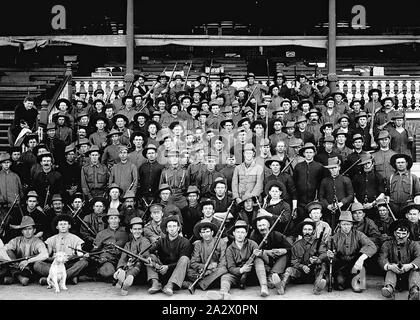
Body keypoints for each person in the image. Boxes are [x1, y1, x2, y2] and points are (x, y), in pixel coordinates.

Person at [206, 220, 269, 300]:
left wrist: (260, 254)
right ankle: (223, 294)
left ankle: (264, 287)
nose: (240, 235)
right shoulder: (229, 249)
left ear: (246, 234)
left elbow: (267, 261)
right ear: (234, 234)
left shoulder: (252, 244)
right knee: (225, 277)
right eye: (238, 232)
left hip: (253, 274)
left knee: (258, 260)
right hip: (238, 275)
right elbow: (231, 268)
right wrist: (241, 270)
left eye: (242, 232)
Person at [327, 211, 377, 292]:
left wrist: (361, 259)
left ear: (352, 225)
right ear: (339, 225)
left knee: (359, 289)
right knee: (339, 286)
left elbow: (372, 246)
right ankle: (349, 279)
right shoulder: (334, 238)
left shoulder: (359, 234)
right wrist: (330, 255)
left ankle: (355, 278)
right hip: (342, 265)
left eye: (348, 224)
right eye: (343, 224)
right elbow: (329, 253)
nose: (346, 227)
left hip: (356, 263)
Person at [34, 215, 88, 286]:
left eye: (65, 224)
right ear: (57, 227)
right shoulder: (51, 239)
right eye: (61, 224)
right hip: (55, 265)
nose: (63, 226)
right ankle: (69, 277)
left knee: (84, 262)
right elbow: (47, 254)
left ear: (69, 226)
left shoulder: (76, 238)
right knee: (37, 264)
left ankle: (54, 279)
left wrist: (84, 256)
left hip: (69, 264)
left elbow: (80, 254)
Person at [279, 218, 328, 295]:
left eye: (309, 229)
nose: (307, 232)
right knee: (289, 270)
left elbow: (324, 254)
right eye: (305, 229)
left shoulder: (319, 242)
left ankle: (317, 288)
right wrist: (302, 267)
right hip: (300, 274)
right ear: (302, 231)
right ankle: (281, 286)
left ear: (313, 231)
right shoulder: (296, 245)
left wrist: (317, 259)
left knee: (322, 266)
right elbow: (294, 262)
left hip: (314, 273)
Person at [146, 215, 192, 295]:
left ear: (178, 228)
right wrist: (151, 259)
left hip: (178, 273)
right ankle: (155, 283)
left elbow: (183, 262)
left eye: (174, 226)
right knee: (150, 257)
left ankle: (170, 286)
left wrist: (168, 267)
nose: (172, 228)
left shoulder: (185, 242)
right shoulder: (161, 241)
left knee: (185, 259)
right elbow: (150, 251)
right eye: (169, 226)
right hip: (162, 271)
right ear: (166, 229)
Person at [113, 217, 159, 295]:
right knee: (125, 268)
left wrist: (133, 261)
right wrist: (120, 267)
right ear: (131, 230)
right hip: (131, 268)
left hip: (141, 271)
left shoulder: (144, 240)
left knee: (138, 264)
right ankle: (123, 278)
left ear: (142, 230)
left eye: (139, 229)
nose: (137, 231)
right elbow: (123, 258)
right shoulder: (128, 244)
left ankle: (124, 280)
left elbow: (145, 255)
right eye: (135, 229)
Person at [249, 211, 292, 294]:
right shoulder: (254, 236)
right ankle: (273, 278)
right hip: (266, 262)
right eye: (259, 226)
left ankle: (273, 276)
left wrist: (283, 250)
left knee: (285, 256)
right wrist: (266, 252)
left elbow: (291, 249)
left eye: (263, 225)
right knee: (258, 258)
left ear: (268, 225)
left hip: (279, 262)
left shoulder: (277, 235)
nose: (262, 228)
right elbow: (252, 251)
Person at [379, 219, 420, 300]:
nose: (400, 236)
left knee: (415, 270)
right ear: (394, 233)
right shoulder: (387, 244)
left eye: (404, 233)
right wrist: (389, 266)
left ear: (408, 234)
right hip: (394, 277)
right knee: (390, 269)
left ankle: (414, 291)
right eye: (398, 233)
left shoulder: (414, 244)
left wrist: (410, 265)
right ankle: (389, 290)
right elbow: (382, 258)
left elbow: (419, 257)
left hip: (409, 278)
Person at [2, 216, 48, 285]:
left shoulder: (38, 242)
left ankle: (15, 277)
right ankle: (19, 277)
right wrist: (14, 263)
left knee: (35, 266)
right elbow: (4, 249)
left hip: (30, 270)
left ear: (34, 230)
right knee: (8, 252)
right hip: (17, 266)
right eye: (25, 229)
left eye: (29, 229)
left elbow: (45, 255)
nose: (27, 232)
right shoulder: (17, 240)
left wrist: (28, 261)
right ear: (22, 231)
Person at [184, 220, 227, 291]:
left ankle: (199, 284)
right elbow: (193, 263)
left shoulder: (221, 242)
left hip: (216, 271)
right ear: (200, 234)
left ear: (212, 232)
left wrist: (211, 270)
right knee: (189, 272)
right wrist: (204, 267)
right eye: (203, 232)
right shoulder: (198, 245)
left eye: (207, 232)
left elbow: (223, 262)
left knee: (223, 270)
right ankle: (208, 282)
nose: (206, 234)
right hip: (203, 271)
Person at [89, 208, 129, 282]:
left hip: (122, 259)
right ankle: (98, 274)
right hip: (108, 260)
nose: (114, 221)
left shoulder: (126, 232)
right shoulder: (101, 234)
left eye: (115, 218)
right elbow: (95, 251)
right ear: (108, 221)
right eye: (111, 218)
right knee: (108, 273)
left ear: (119, 220)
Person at [319, 157, 354, 229]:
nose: (333, 170)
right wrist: (327, 205)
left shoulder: (346, 180)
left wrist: (342, 203)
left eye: (335, 167)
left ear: (339, 168)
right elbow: (321, 196)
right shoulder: (325, 181)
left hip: (343, 210)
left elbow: (351, 195)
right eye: (331, 168)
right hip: (328, 212)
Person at [388, 153, 420, 218]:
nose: (400, 164)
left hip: (407, 207)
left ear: (406, 163)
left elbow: (418, 194)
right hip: (393, 208)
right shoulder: (390, 177)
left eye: (402, 162)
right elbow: (387, 193)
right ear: (395, 164)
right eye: (398, 162)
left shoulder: (413, 177)